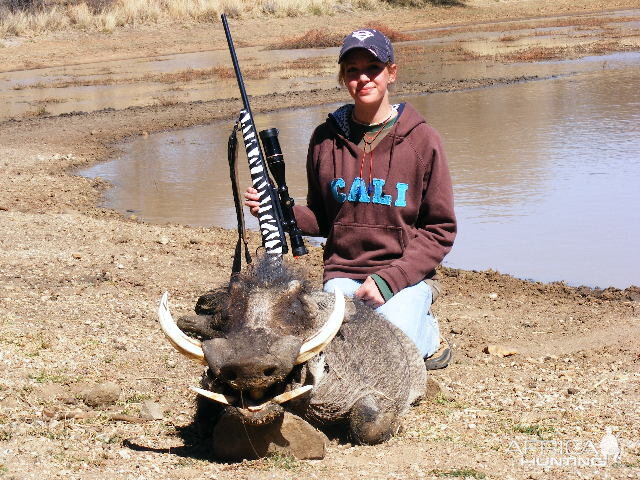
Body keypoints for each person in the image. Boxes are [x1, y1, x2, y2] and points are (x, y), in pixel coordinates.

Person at [245, 29, 456, 369]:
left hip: (403, 274)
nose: (363, 78)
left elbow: (440, 230)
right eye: (352, 70)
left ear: (391, 73)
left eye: (372, 67)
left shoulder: (424, 140)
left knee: (389, 352)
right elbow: (324, 219)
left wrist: (391, 280)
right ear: (343, 78)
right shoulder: (324, 139)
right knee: (334, 354)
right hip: (343, 273)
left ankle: (428, 333)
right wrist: (276, 210)